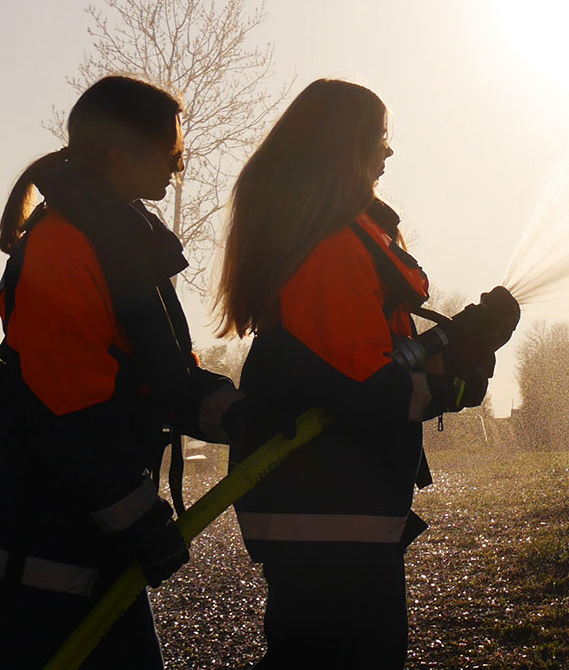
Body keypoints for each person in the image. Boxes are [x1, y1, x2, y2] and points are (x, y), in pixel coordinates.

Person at [0, 76, 294, 668]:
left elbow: (162, 375)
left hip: (93, 531)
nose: (179, 169)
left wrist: (235, 414)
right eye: (174, 154)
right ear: (123, 157)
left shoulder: (120, 241)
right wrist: (139, 517)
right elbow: (74, 411)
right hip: (49, 540)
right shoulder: (62, 249)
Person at [217, 79, 518, 668]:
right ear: (345, 147)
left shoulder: (333, 240)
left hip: (335, 508)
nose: (387, 154)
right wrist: (454, 372)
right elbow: (366, 390)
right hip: (326, 515)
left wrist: (465, 351)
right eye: (380, 139)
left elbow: (373, 361)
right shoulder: (331, 247)